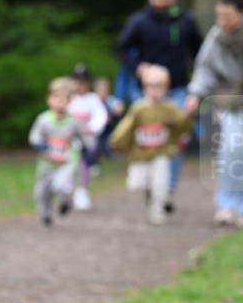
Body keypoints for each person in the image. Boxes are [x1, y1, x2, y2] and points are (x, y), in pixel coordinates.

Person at [185, 0, 243, 228]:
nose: (222, 20)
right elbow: (205, 69)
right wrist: (195, 93)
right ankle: (226, 205)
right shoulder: (216, 37)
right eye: (219, 15)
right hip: (231, 104)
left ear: (242, 13)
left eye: (228, 16)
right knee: (231, 152)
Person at [116, 0, 203, 209]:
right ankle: (148, 182)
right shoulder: (139, 21)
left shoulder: (186, 21)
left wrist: (198, 84)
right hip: (144, 91)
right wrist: (139, 68)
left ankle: (167, 188)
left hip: (177, 90)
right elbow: (121, 49)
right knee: (147, 137)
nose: (161, 1)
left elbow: (199, 52)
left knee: (173, 140)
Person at [109, 65, 194, 225]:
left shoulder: (169, 108)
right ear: (145, 87)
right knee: (136, 185)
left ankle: (158, 210)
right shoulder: (139, 108)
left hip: (161, 153)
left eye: (160, 87)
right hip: (140, 154)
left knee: (161, 183)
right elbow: (127, 126)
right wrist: (117, 140)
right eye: (151, 86)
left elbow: (183, 124)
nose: (155, 91)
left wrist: (186, 115)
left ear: (166, 88)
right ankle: (150, 193)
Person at [29, 78, 82, 226]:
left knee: (61, 185)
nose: (60, 102)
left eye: (64, 99)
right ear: (49, 99)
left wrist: (83, 148)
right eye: (56, 98)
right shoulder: (44, 119)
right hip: (46, 163)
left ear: (69, 101)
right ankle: (45, 214)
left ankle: (65, 202)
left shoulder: (73, 122)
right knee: (42, 192)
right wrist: (39, 143)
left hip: (66, 162)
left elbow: (80, 138)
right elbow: (34, 136)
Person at [67, 63, 108, 211]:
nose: (79, 86)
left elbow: (100, 116)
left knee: (82, 164)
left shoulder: (92, 99)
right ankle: (69, 190)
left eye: (82, 82)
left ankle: (82, 190)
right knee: (71, 164)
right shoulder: (69, 99)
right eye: (77, 82)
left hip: (86, 138)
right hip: (70, 139)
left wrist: (91, 128)